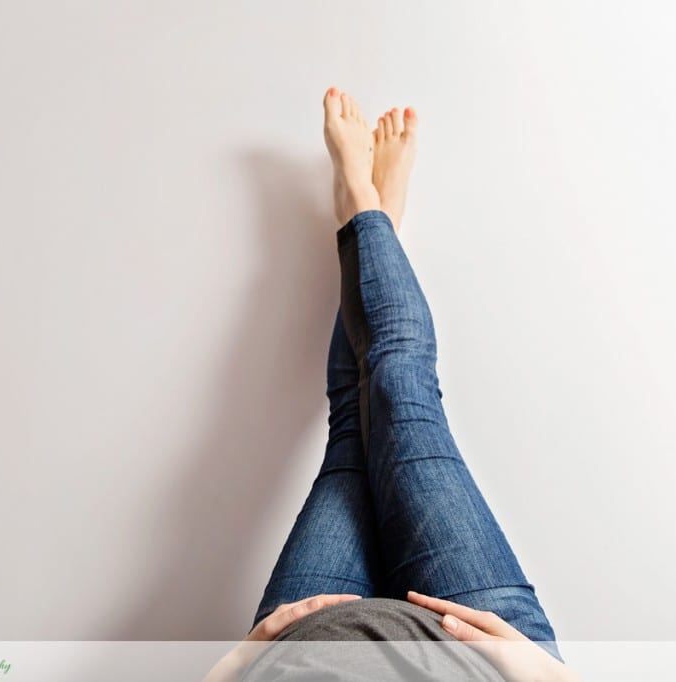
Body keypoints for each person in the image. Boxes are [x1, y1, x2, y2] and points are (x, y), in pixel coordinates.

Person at [203, 87, 582, 682]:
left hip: (303, 645)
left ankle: (369, 214)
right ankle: (369, 214)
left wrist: (228, 673)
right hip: (478, 649)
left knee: (357, 421)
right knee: (398, 380)